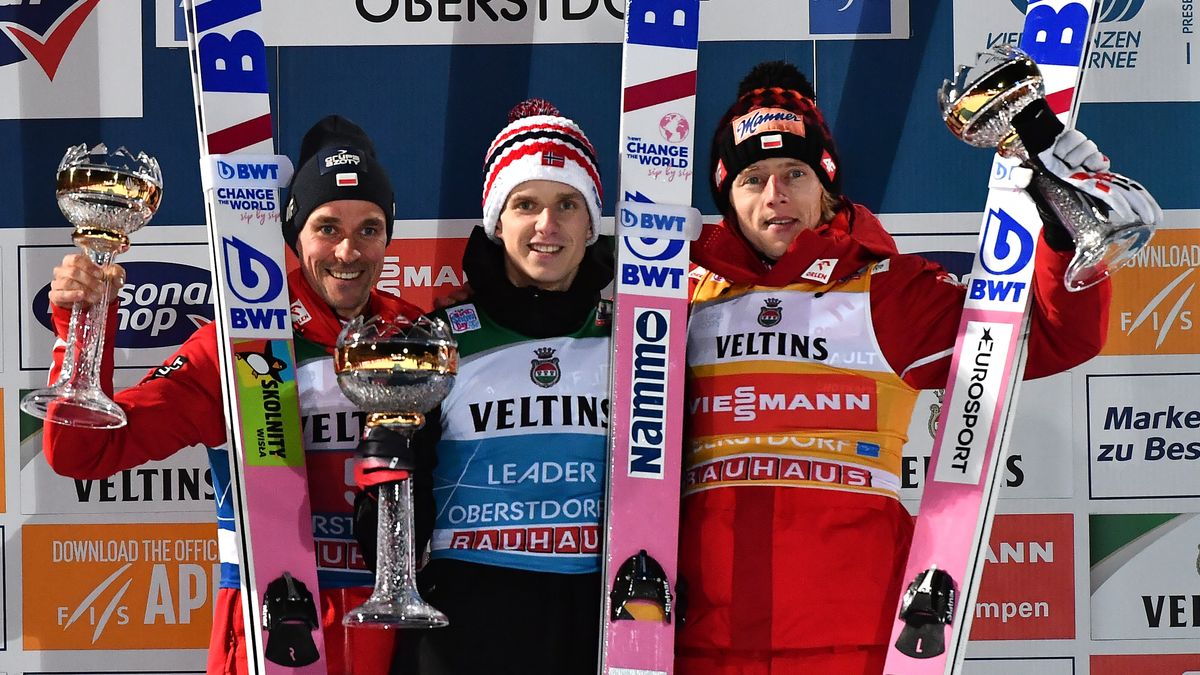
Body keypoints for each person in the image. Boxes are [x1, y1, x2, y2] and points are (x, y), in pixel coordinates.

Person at [675, 62, 1162, 674]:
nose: (775, 195)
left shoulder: (885, 292)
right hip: (697, 640)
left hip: (855, 636)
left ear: (825, 186)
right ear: (727, 195)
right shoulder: (677, 296)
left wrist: (1065, 228)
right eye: (753, 178)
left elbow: (1054, 338)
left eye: (794, 173)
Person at [41, 115, 423, 675]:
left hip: (390, 632)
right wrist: (81, 325)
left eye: (369, 228)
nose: (348, 251)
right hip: (271, 629)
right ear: (295, 236)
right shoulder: (240, 346)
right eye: (327, 228)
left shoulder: (421, 339)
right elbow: (83, 453)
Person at [387, 99, 612, 675]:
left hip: (597, 623)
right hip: (470, 628)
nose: (547, 225)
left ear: (591, 223)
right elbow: (391, 492)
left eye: (568, 203)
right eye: (526, 205)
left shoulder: (638, 341)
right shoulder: (438, 340)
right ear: (497, 221)